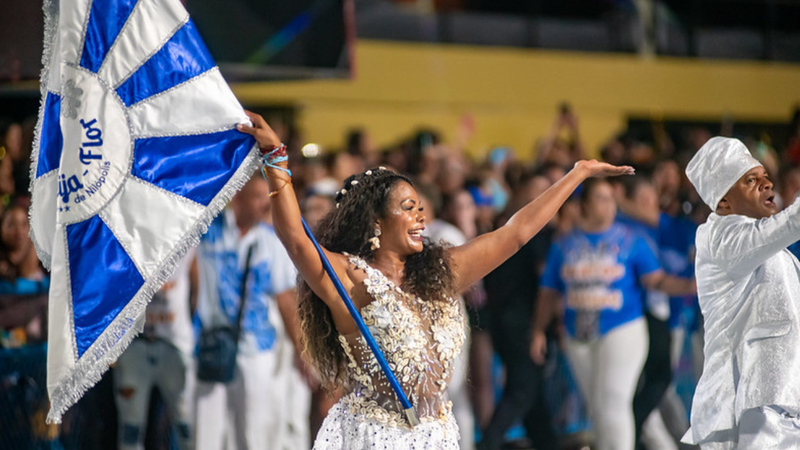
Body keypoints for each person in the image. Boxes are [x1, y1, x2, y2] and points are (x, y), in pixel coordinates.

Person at [237, 111, 634, 449]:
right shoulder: (351, 278)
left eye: (422, 208)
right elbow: (294, 237)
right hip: (375, 436)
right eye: (408, 208)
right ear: (376, 221)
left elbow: (514, 234)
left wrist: (576, 175)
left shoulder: (439, 274)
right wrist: (276, 159)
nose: (420, 218)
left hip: (437, 435)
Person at [530, 178, 695, 450]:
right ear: (584, 204)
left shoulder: (631, 240)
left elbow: (655, 280)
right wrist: (537, 330)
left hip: (622, 328)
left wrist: (689, 286)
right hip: (578, 334)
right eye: (601, 199)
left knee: (614, 400)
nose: (609, 206)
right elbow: (549, 292)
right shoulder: (564, 245)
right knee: (597, 407)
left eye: (611, 199)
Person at [682, 137, 800, 448]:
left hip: (775, 401)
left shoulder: (766, 244)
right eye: (751, 179)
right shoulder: (719, 236)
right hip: (745, 405)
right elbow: (793, 222)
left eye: (765, 176)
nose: (766, 183)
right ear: (724, 202)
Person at [193, 175, 298, 450]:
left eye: (268, 197)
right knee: (206, 434)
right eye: (257, 197)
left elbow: (286, 299)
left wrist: (302, 350)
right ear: (237, 197)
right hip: (210, 345)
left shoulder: (271, 241)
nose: (265, 204)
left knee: (252, 433)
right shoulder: (206, 231)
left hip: (257, 349)